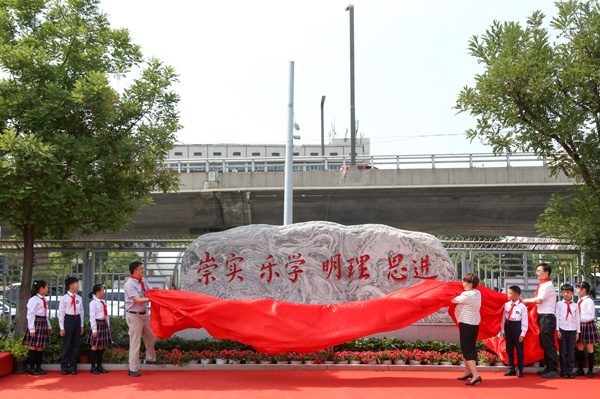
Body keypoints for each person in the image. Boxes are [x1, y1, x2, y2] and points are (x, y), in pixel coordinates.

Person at [124, 261, 162, 377]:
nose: (143, 271)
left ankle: (151, 359)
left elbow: (151, 292)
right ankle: (133, 369)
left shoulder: (143, 280)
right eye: (141, 269)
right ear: (135, 271)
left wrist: (160, 295)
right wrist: (153, 299)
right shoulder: (129, 284)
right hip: (134, 315)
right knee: (135, 343)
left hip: (144, 314)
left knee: (150, 337)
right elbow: (139, 300)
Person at [522, 263, 559, 378]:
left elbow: (539, 300)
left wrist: (525, 301)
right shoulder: (543, 284)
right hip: (543, 317)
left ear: (546, 272)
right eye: (537, 271)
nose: (537, 273)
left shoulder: (547, 285)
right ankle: (548, 367)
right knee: (544, 344)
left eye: (539, 271)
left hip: (547, 317)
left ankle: (553, 370)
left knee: (548, 344)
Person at [451, 273, 482, 386]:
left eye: (464, 282)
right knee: (469, 348)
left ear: (470, 284)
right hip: (473, 324)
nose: (462, 284)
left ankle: (475, 375)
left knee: (467, 349)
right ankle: (468, 372)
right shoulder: (477, 292)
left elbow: (453, 300)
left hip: (467, 324)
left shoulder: (468, 295)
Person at [22, 280, 53, 375]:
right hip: (36, 322)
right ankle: (32, 368)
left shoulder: (44, 300)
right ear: (41, 288)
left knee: (40, 347)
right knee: (33, 346)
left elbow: (45, 314)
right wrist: (32, 329)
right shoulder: (33, 300)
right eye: (47, 287)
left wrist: (49, 326)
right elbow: (30, 315)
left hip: (43, 322)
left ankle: (39, 368)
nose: (48, 289)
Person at [500, 285, 528, 378]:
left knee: (519, 349)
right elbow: (503, 319)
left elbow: (525, 321)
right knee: (509, 349)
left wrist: (522, 333)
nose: (508, 295)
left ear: (516, 295)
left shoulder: (522, 306)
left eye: (510, 293)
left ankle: (520, 369)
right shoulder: (506, 305)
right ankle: (511, 368)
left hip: (517, 326)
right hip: (508, 326)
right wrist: (503, 331)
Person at [58, 276, 84, 375]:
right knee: (67, 344)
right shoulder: (64, 298)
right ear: (71, 286)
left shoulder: (79, 298)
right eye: (77, 284)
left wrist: (81, 325)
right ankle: (64, 367)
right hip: (68, 319)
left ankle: (73, 367)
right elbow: (61, 313)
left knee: (76, 344)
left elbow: (81, 312)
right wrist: (62, 328)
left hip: (77, 320)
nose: (78, 285)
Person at [574, 281, 599, 378]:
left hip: (587, 325)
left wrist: (579, 319)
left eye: (577, 288)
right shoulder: (579, 301)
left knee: (589, 348)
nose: (576, 290)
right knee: (579, 346)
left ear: (583, 290)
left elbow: (591, 316)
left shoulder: (589, 301)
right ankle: (580, 369)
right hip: (580, 325)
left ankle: (590, 370)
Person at [555, 284, 579, 378]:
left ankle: (570, 370)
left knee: (571, 351)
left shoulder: (575, 305)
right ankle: (564, 370)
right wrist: (557, 330)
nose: (566, 294)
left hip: (572, 329)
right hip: (562, 329)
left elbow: (577, 318)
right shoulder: (559, 304)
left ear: (572, 293)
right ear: (561, 293)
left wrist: (578, 331)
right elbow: (557, 317)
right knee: (562, 351)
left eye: (568, 292)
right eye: (564, 292)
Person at [87, 284, 112, 374]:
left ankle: (99, 366)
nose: (104, 292)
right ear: (98, 292)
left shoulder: (103, 302)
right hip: (97, 324)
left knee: (101, 346)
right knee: (94, 346)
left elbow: (106, 315)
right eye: (103, 290)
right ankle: (93, 367)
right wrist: (94, 330)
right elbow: (92, 317)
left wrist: (107, 326)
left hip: (103, 324)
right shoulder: (93, 303)